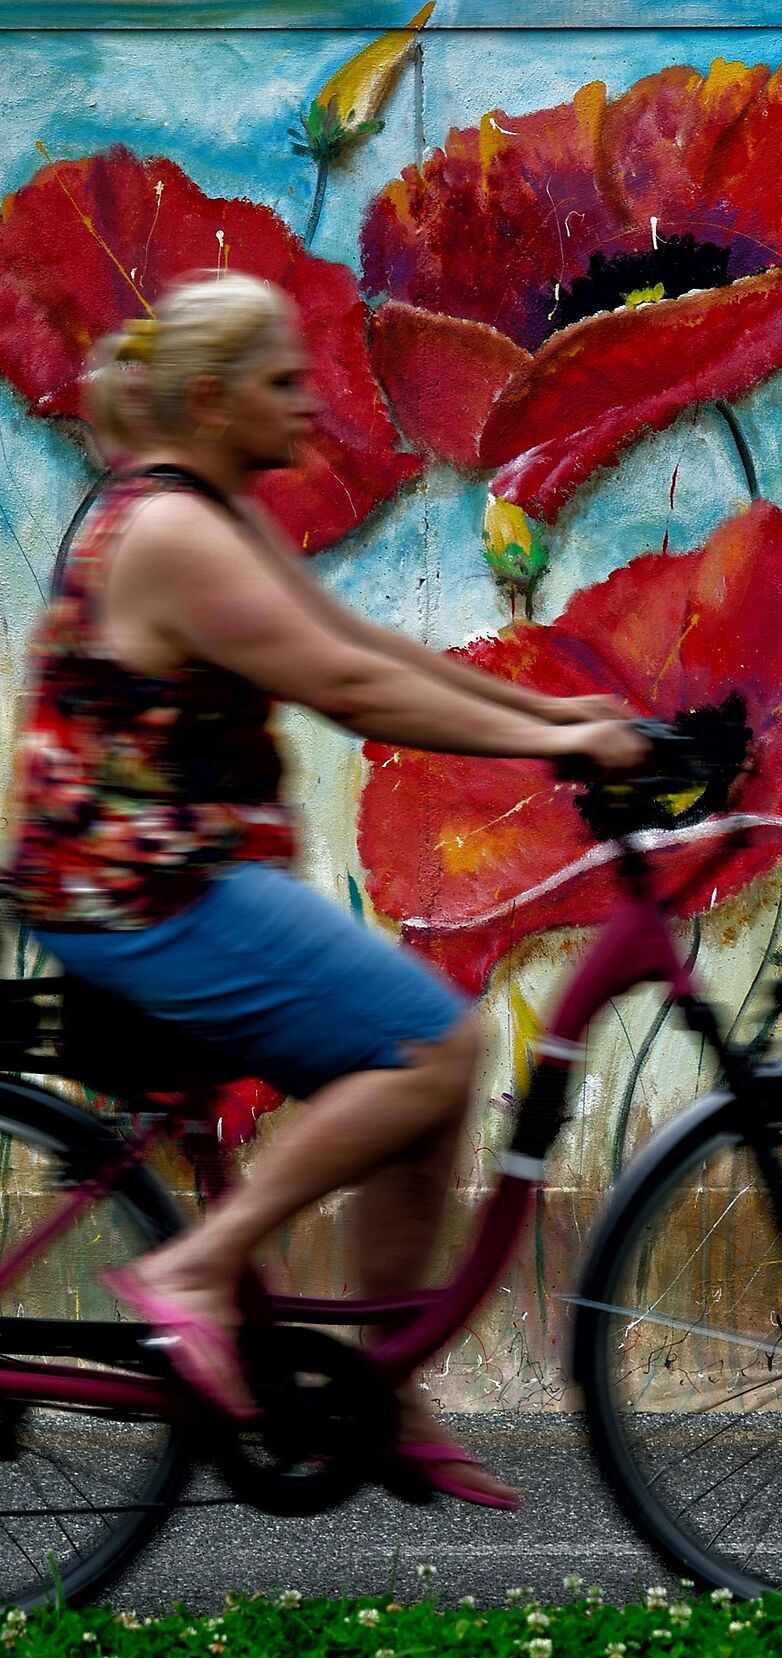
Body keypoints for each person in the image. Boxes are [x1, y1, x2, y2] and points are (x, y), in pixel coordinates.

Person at [0, 272, 649, 1508]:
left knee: (419, 1072)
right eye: (280, 381)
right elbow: (346, 694)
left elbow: (373, 651)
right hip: (146, 897)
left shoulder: (202, 512)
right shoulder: (179, 535)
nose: (308, 403)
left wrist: (552, 713)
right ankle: (196, 1273)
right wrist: (564, 749)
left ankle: (380, 1392)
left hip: (159, 886)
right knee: (436, 1049)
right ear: (208, 398)